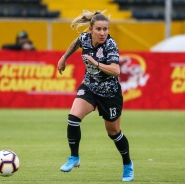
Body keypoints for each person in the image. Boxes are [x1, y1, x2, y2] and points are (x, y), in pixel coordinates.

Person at [57, 10, 134, 182]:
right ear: (91, 29)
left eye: (105, 29)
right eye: (98, 29)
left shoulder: (110, 45)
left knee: (114, 133)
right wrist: (64, 57)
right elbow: (76, 42)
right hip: (90, 87)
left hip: (110, 94)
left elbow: (116, 70)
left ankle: (128, 164)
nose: (102, 33)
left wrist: (96, 64)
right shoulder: (85, 38)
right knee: (72, 118)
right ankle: (74, 157)